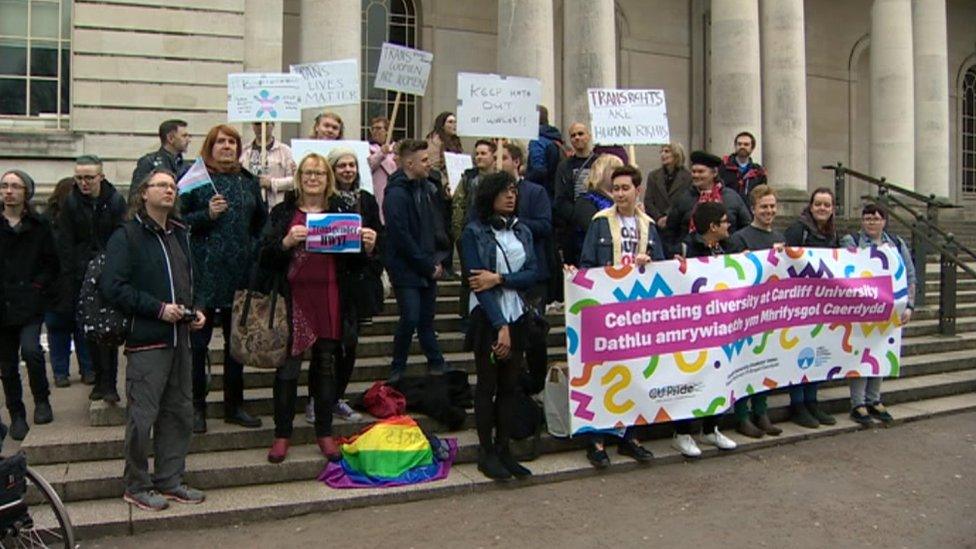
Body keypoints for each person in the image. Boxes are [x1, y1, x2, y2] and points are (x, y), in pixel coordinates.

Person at [259, 153, 378, 464]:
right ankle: (282, 434)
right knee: (288, 370)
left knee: (326, 369)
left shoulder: (342, 212)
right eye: (308, 173)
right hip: (292, 299)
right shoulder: (283, 212)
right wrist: (285, 242)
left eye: (319, 174)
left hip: (330, 297)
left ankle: (324, 432)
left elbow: (357, 263)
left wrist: (367, 246)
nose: (313, 178)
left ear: (328, 179)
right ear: (299, 178)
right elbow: (263, 255)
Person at [101, 169, 206, 512]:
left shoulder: (179, 233)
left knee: (179, 412)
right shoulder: (127, 236)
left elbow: (188, 280)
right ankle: (136, 484)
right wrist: (158, 310)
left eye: (173, 186)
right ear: (143, 193)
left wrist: (195, 310)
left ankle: (170, 480)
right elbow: (113, 287)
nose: (169, 190)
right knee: (142, 417)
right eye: (161, 185)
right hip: (147, 340)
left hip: (180, 339)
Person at [180, 125, 268, 433]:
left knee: (236, 346)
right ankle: (196, 408)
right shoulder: (195, 180)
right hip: (204, 274)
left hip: (239, 275)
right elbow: (178, 221)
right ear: (210, 146)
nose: (227, 147)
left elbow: (261, 223)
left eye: (232, 142)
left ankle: (234, 406)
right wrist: (207, 214)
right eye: (221, 142)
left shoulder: (248, 181)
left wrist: (253, 249)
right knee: (199, 345)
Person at [574, 165, 659, 467]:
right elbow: (587, 262)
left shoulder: (649, 225)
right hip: (606, 307)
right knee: (602, 373)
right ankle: (596, 440)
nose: (621, 193)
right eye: (616, 188)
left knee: (636, 372)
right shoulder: (600, 223)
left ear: (639, 191)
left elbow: (662, 268)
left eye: (626, 188)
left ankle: (630, 437)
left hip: (637, 312)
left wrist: (651, 262)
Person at [460, 172, 538, 480]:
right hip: (487, 315)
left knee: (510, 385)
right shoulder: (473, 232)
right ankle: (486, 452)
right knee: (487, 384)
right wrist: (499, 325)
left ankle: (504, 449)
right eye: (504, 191)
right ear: (489, 195)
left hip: (517, 312)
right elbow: (478, 282)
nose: (511, 196)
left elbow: (533, 271)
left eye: (514, 191)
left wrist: (502, 278)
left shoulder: (523, 231)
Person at [670, 202, 738, 457]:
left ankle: (711, 428)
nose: (728, 225)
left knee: (716, 376)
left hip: (719, 325)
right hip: (692, 328)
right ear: (712, 227)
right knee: (690, 379)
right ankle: (683, 432)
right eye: (724, 221)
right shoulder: (684, 248)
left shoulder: (725, 249)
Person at [58, 155, 128, 403]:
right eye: (79, 178)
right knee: (89, 329)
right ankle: (99, 379)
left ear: (101, 176)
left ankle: (109, 383)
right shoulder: (71, 203)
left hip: (109, 272)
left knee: (109, 329)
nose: (84, 183)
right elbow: (65, 242)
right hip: (81, 274)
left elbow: (122, 234)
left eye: (89, 177)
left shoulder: (116, 201)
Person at [840, 204, 916, 427]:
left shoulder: (897, 244)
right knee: (859, 355)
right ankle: (858, 403)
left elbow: (910, 276)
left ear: (884, 221)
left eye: (876, 218)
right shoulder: (851, 241)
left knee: (881, 352)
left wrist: (909, 306)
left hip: (888, 310)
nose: (871, 222)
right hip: (861, 310)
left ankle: (874, 399)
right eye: (867, 218)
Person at [382, 139, 448, 383]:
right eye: (423, 160)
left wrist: (440, 259)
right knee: (410, 317)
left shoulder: (428, 189)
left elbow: (437, 227)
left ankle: (436, 362)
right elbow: (401, 236)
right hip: (406, 268)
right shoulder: (396, 194)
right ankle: (398, 366)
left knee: (426, 320)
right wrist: (426, 265)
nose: (428, 163)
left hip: (429, 264)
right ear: (409, 163)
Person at [0, 169, 57, 441]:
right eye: (4, 186)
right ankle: (16, 414)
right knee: (7, 364)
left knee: (32, 351)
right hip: (2, 305)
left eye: (15, 187)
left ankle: (42, 399)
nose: (8, 191)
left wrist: (38, 287)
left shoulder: (39, 225)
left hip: (29, 302)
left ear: (26, 193)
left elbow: (51, 263)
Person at [728, 185, 785, 438]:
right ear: (753, 208)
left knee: (765, 364)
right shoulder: (740, 238)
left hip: (770, 313)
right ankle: (742, 415)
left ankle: (761, 412)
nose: (769, 211)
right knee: (745, 365)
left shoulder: (780, 239)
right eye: (764, 206)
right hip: (745, 313)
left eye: (772, 206)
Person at [783, 187, 840, 428]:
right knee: (799, 352)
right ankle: (798, 404)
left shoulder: (833, 233)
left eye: (827, 205)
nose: (822, 209)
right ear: (811, 205)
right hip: (799, 302)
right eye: (818, 204)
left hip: (822, 304)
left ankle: (812, 401)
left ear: (833, 208)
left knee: (817, 352)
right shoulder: (798, 229)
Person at [44, 176, 94, 387]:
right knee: (67, 331)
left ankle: (64, 372)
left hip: (68, 283)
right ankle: (80, 370)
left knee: (66, 332)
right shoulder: (51, 223)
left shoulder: (54, 221)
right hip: (60, 284)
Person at [451, 139, 497, 329]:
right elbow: (458, 204)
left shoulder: (499, 178)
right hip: (470, 233)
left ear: (493, 156)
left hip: (493, 234)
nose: (479, 157)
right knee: (468, 278)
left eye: (483, 153)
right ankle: (466, 317)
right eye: (476, 153)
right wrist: (458, 233)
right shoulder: (468, 179)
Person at [665, 150, 751, 249]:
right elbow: (670, 231)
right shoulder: (684, 199)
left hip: (728, 256)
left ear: (714, 173)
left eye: (701, 172)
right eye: (693, 172)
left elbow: (746, 227)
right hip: (692, 256)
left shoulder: (731, 197)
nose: (696, 175)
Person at [501, 143, 552, 308]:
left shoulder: (535, 192)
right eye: (495, 158)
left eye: (503, 158)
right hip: (502, 272)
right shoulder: (488, 194)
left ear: (516, 162)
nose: (498, 163)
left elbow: (544, 226)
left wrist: (516, 223)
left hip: (532, 271)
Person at [553, 122, 597, 266]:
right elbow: (560, 199)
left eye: (580, 133)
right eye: (573, 135)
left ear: (589, 136)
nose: (577, 138)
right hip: (573, 231)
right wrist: (577, 217)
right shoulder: (564, 166)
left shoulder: (600, 163)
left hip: (597, 224)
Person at [568, 154, 622, 266]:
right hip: (596, 265)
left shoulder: (622, 202)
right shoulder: (586, 202)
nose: (621, 174)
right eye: (616, 169)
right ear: (601, 173)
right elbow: (595, 230)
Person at [426, 112, 462, 278]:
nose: (453, 125)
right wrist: (446, 183)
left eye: (455, 122)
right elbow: (434, 166)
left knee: (451, 227)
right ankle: (442, 262)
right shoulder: (435, 141)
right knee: (442, 227)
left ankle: (449, 264)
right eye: (450, 122)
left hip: (455, 188)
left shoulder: (455, 141)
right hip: (440, 189)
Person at [643, 142, 692, 248]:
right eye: (661, 152)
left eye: (667, 151)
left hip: (678, 228)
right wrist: (659, 217)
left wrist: (668, 216)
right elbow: (648, 201)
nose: (663, 154)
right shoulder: (653, 176)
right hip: (657, 227)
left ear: (676, 154)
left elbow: (685, 199)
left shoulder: (688, 177)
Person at [239, 121, 296, 208]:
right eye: (257, 124)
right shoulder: (244, 151)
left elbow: (294, 180)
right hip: (250, 205)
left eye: (266, 124)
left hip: (276, 205)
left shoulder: (285, 151)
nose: (261, 127)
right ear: (253, 126)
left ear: (273, 125)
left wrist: (271, 183)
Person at [131, 120, 191, 195]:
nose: (189, 140)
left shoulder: (188, 168)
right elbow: (135, 196)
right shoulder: (149, 163)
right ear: (170, 138)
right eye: (184, 136)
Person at [526, 105, 564, 198]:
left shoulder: (537, 141)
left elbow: (538, 170)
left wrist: (525, 179)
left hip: (541, 192)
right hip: (555, 191)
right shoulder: (555, 138)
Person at [719, 131, 767, 203]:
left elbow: (762, 196)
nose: (742, 146)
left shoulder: (759, 172)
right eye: (739, 144)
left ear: (752, 148)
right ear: (735, 146)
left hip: (749, 212)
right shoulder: (723, 167)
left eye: (746, 144)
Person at [367, 116, 398, 219]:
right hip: (377, 191)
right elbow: (368, 166)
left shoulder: (397, 149)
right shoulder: (367, 149)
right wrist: (381, 153)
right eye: (373, 128)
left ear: (387, 131)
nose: (375, 131)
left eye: (379, 128)